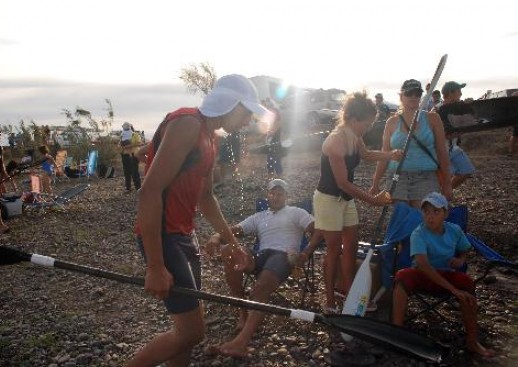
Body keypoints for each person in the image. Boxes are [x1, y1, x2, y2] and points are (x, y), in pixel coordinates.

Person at [128, 74, 270, 367]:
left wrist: (233, 243)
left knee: (186, 332)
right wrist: (155, 265)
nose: (247, 122)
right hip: (163, 235)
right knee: (193, 332)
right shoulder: (187, 124)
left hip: (183, 235)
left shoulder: (211, 138)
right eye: (246, 113)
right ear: (231, 103)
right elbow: (149, 192)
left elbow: (206, 198)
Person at [205, 178, 322, 358]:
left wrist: (305, 253)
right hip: (261, 256)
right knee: (229, 250)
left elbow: (318, 230)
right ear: (268, 195)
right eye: (272, 193)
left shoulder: (296, 212)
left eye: (279, 193)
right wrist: (215, 237)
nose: (275, 197)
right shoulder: (260, 216)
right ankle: (243, 312)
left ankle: (241, 342)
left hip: (283, 256)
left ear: (286, 196)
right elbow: (234, 230)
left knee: (261, 286)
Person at [314, 91, 403, 312]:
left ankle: (349, 291)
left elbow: (367, 155)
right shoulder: (335, 142)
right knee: (334, 249)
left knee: (351, 246)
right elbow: (343, 183)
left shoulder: (355, 136)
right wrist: (373, 200)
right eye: (367, 123)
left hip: (346, 199)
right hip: (328, 200)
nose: (369, 127)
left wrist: (390, 155)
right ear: (354, 120)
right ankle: (330, 300)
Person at [392, 192, 495, 358]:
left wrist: (460, 259)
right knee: (402, 276)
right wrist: (453, 289)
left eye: (435, 212)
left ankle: (472, 341)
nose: (430, 216)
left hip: (446, 274)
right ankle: (396, 333)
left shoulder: (454, 230)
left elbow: (465, 249)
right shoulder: (418, 233)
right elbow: (423, 266)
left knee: (467, 283)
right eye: (426, 212)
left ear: (446, 214)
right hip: (423, 275)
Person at [370, 79, 452, 208]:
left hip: (426, 176)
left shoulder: (433, 119)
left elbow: (442, 152)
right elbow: (384, 154)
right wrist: (375, 182)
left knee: (421, 217)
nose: (413, 96)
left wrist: (447, 183)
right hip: (397, 176)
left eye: (417, 93)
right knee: (401, 217)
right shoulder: (391, 122)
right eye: (409, 93)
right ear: (401, 96)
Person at [436, 81, 476, 189]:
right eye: (459, 91)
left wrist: (469, 104)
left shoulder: (457, 107)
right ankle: (437, 199)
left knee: (466, 170)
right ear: (450, 93)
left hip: (453, 147)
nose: (461, 94)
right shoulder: (438, 110)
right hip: (440, 150)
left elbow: (470, 120)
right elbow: (433, 133)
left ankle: (443, 194)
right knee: (442, 179)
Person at [119, 122, 142, 192]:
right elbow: (119, 144)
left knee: (134, 171)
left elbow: (139, 143)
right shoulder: (122, 135)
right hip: (124, 154)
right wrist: (121, 147)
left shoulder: (135, 135)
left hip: (133, 155)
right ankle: (128, 187)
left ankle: (138, 188)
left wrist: (129, 146)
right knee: (126, 171)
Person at [263, 98, 283, 179]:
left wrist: (267, 131)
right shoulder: (271, 122)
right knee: (269, 160)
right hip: (270, 144)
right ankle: (270, 176)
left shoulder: (278, 122)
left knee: (276, 161)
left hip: (276, 144)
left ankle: (280, 177)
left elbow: (271, 132)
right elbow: (268, 133)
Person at [508, 91, 518, 156]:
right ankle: (511, 151)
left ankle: (511, 151)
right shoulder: (516, 93)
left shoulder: (515, 93)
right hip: (516, 118)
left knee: (515, 135)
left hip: (515, 118)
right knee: (515, 135)